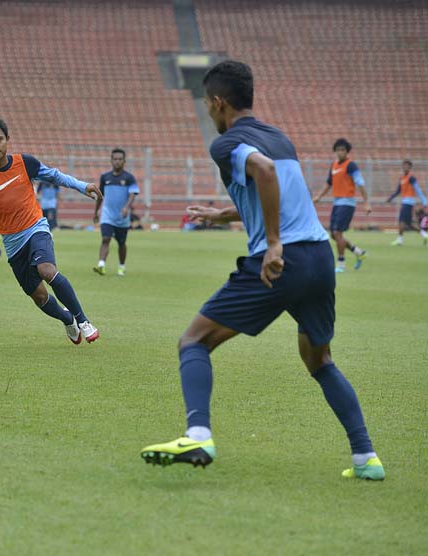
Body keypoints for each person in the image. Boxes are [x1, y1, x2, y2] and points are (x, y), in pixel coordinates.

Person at [140, 61, 384, 480]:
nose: (208, 114)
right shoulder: (278, 137)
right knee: (319, 358)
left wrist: (272, 243)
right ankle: (366, 458)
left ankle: (197, 433)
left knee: (193, 341)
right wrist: (224, 215)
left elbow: (264, 172)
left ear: (218, 103)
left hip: (281, 262)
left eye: (207, 105)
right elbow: (281, 190)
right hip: (319, 259)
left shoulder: (227, 143)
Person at [0, 117, 102, 344]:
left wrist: (82, 186)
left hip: (36, 227)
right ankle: (67, 319)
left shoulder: (24, 163)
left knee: (46, 269)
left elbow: (54, 175)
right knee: (39, 296)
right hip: (12, 244)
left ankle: (83, 320)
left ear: (7, 140)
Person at [312, 138, 370, 272]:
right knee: (334, 234)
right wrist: (319, 196)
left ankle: (341, 264)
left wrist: (366, 202)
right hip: (337, 203)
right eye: (338, 150)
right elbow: (329, 183)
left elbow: (360, 183)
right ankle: (358, 252)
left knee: (337, 232)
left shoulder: (351, 165)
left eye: (342, 150)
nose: (340, 152)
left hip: (347, 203)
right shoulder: (334, 165)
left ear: (347, 151)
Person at [93, 148, 139, 277]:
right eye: (115, 159)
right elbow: (100, 196)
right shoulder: (105, 177)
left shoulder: (129, 178)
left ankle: (121, 266)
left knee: (121, 243)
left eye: (120, 159)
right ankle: (101, 265)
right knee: (106, 238)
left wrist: (126, 207)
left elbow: (132, 194)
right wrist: (96, 212)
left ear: (124, 161)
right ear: (111, 161)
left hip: (122, 217)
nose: (117, 162)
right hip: (107, 215)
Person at [387, 160, 426, 245]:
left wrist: (424, 200)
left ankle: (400, 241)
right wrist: (391, 198)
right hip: (405, 202)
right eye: (404, 166)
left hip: (409, 203)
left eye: (407, 166)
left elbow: (417, 189)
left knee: (401, 221)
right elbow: (398, 191)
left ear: (410, 168)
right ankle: (424, 235)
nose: (405, 167)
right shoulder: (402, 178)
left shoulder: (411, 178)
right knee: (409, 223)